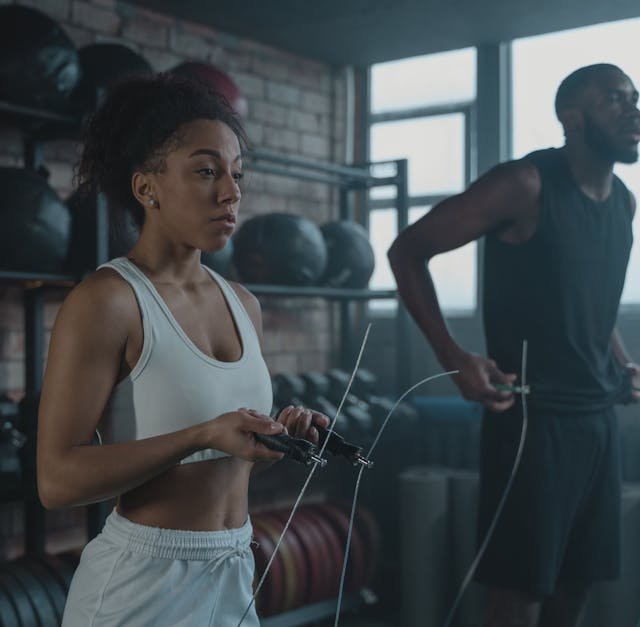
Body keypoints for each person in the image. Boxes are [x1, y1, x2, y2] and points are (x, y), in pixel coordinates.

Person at [36, 73, 327, 627]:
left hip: (234, 571)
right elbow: (56, 480)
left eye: (237, 174)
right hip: (140, 585)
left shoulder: (244, 303)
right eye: (205, 171)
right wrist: (200, 434)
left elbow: (215, 470)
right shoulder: (108, 301)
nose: (231, 192)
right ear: (147, 188)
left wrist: (271, 445)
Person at [387, 63, 640, 627]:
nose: (633, 110)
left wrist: (622, 363)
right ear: (571, 116)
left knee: (576, 587)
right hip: (530, 420)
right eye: (615, 99)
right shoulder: (524, 184)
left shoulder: (623, 202)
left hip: (597, 419)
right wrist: (453, 359)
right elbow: (407, 251)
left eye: (635, 98)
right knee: (518, 595)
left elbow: (588, 302)